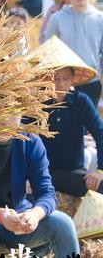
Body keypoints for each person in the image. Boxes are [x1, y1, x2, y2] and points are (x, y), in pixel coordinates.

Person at [0, 117, 79, 258]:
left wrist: (34, 214)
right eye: (0, 109)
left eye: (13, 109)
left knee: (63, 223)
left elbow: (47, 193)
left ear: (22, 110)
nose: (5, 117)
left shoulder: (30, 140)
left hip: (19, 220)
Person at [32, 37, 103, 197]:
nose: (60, 83)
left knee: (99, 185)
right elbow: (22, 139)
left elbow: (100, 132)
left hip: (73, 173)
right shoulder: (36, 104)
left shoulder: (80, 101)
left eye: (65, 78)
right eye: (55, 78)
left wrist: (100, 170)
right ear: (46, 79)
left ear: (73, 79)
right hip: (41, 173)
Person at [44, 0, 103, 105]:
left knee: (89, 123)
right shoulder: (57, 18)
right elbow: (48, 51)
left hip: (91, 80)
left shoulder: (100, 19)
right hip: (63, 82)